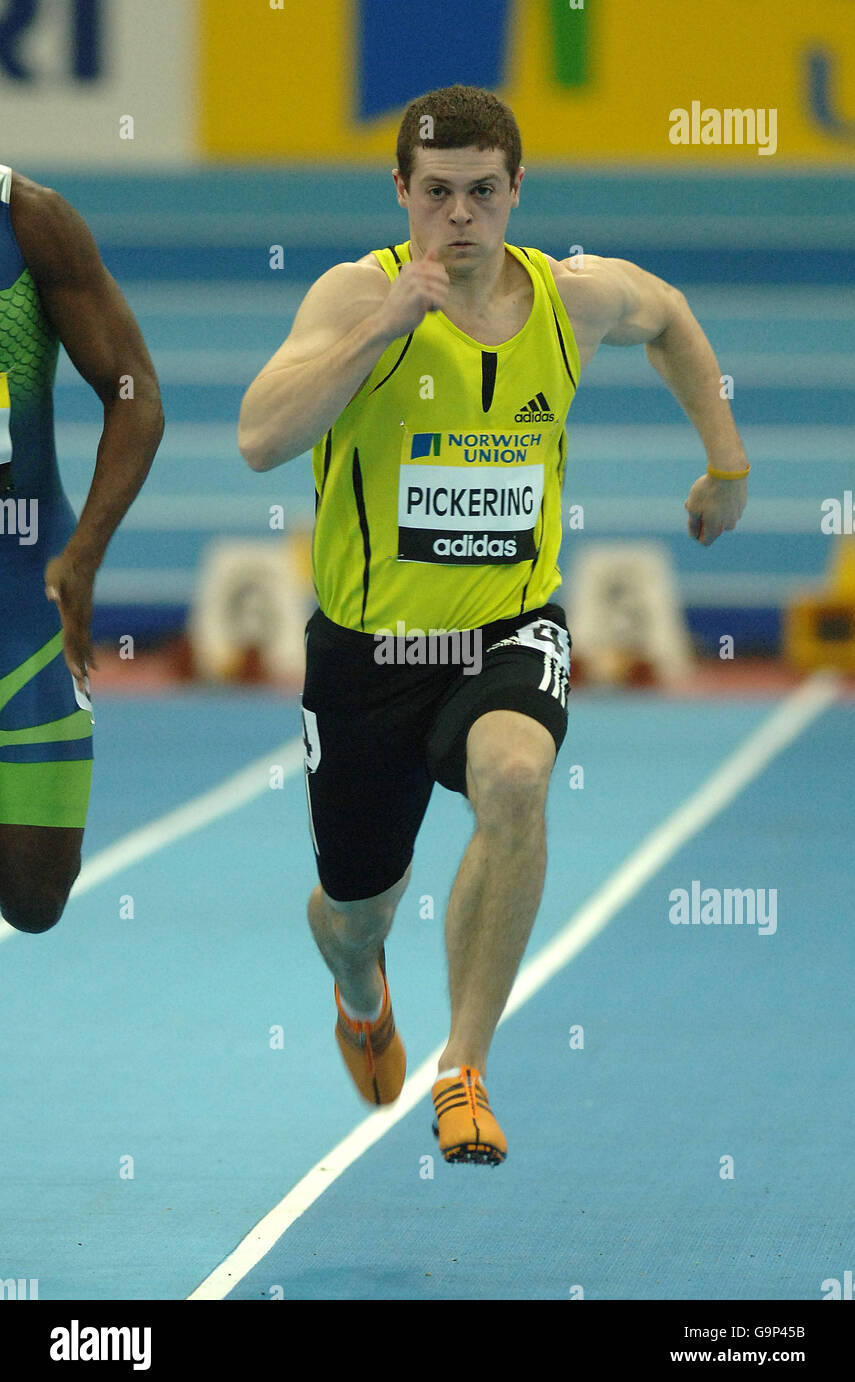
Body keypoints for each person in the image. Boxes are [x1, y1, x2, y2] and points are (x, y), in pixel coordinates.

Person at [238, 85, 749, 1165]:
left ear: (517, 191)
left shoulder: (574, 300)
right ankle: (360, 988)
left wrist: (727, 462)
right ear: (402, 195)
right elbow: (258, 438)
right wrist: (383, 328)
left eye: (481, 192)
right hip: (369, 653)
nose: (459, 217)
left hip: (509, 628)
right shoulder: (350, 296)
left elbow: (672, 317)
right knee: (354, 911)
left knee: (516, 778)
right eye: (436, 195)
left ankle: (462, 1069)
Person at [0, 166, 163, 933]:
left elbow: (134, 389)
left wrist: (87, 551)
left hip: (25, 592)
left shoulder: (32, 222)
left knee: (36, 896)